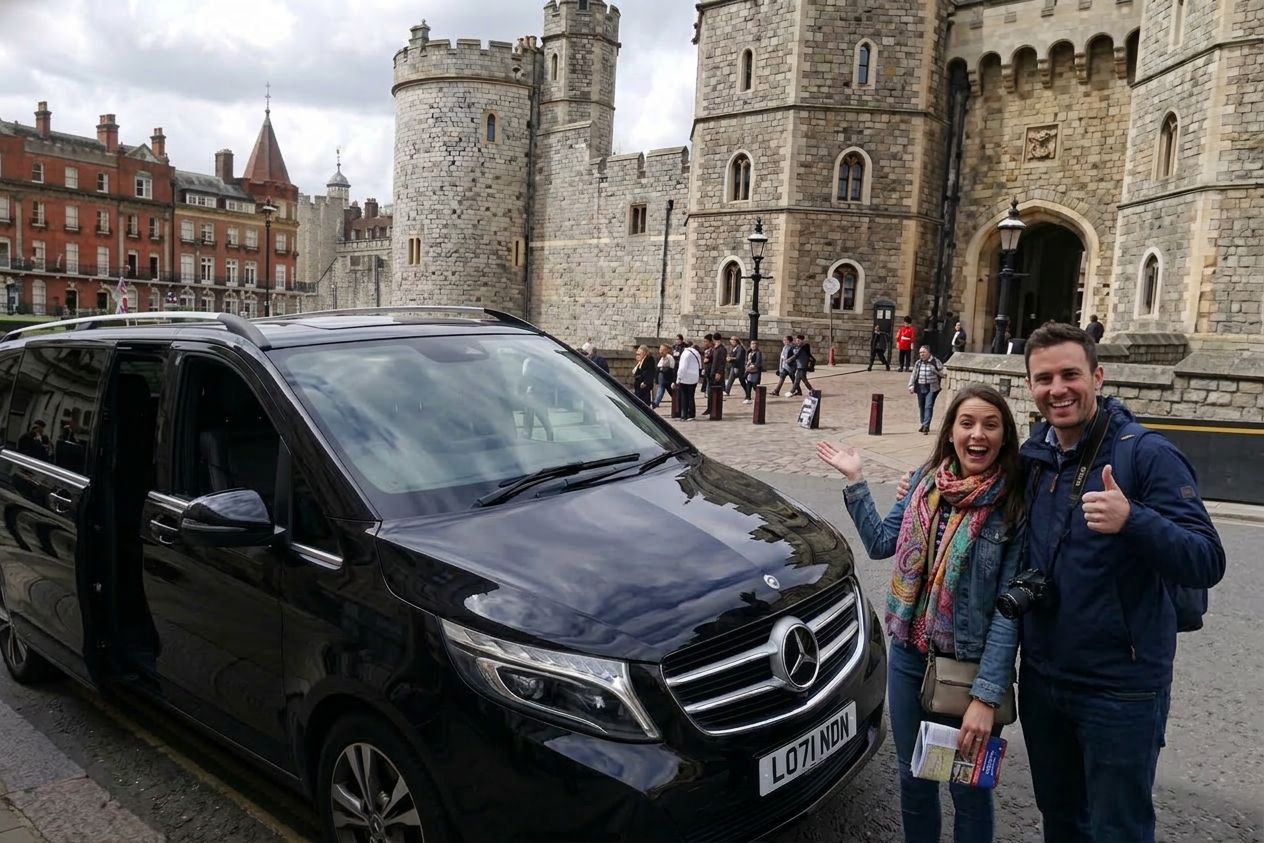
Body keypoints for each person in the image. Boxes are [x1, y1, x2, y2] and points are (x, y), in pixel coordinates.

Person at [1015, 322, 1225, 843]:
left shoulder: (1146, 454)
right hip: (1043, 680)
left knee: (1120, 830)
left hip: (1121, 689)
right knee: (1061, 821)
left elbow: (1207, 559)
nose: (1057, 389)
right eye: (1044, 378)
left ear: (1098, 376)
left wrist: (1134, 519)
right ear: (1030, 387)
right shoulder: (1035, 456)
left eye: (1070, 374)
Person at [815, 382, 1026, 843]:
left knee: (968, 786)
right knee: (915, 777)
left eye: (991, 425)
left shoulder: (1011, 505)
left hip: (967, 668)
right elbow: (879, 543)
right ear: (949, 432)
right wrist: (856, 479)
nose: (977, 434)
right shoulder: (925, 484)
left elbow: (1009, 613)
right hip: (910, 656)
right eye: (966, 423)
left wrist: (986, 697)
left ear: (1005, 437)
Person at [908, 345, 945, 434]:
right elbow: (914, 374)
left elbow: (944, 374)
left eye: (923, 352)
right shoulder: (918, 363)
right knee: (921, 406)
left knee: (928, 406)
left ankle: (926, 425)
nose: (921, 354)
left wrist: (935, 370)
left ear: (929, 353)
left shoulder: (935, 361)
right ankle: (923, 423)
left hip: (931, 387)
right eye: (920, 352)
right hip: (920, 387)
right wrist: (911, 385)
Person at [675, 340, 702, 421]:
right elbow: (700, 365)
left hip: (686, 377)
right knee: (691, 396)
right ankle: (691, 414)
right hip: (695, 376)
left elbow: (682, 367)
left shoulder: (685, 353)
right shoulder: (696, 353)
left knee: (684, 396)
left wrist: (678, 378)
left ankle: (684, 414)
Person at [653, 344, 676, 409]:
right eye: (660, 350)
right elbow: (658, 368)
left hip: (668, 377)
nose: (661, 352)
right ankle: (656, 402)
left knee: (669, 391)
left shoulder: (669, 357)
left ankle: (677, 401)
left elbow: (672, 368)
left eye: (663, 350)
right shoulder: (660, 358)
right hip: (661, 376)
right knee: (661, 388)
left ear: (667, 350)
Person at [742, 339, 762, 403]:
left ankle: (760, 396)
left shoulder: (758, 353)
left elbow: (758, 361)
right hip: (749, 371)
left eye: (755, 344)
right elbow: (747, 360)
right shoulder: (749, 352)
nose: (753, 345)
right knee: (749, 384)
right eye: (752, 344)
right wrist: (746, 365)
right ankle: (748, 397)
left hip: (755, 371)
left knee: (754, 385)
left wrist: (753, 366)